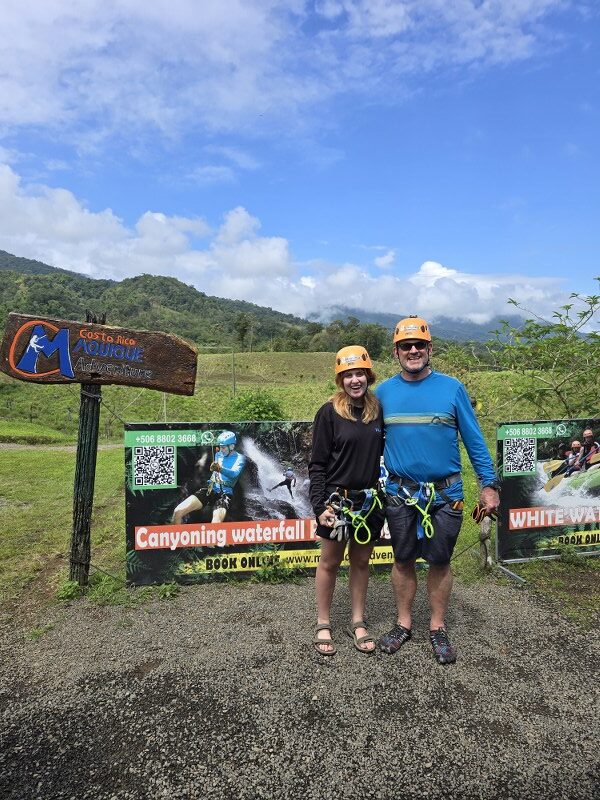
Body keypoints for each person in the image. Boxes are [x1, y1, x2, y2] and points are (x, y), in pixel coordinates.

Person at [375, 316, 499, 665]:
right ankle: (403, 623)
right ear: (396, 351)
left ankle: (437, 626)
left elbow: (474, 440)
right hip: (401, 493)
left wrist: (488, 486)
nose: (412, 351)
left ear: (430, 349)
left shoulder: (451, 388)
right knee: (401, 559)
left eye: (419, 345)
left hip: (446, 495)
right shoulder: (383, 393)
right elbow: (365, 442)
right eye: (405, 346)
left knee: (440, 560)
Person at [309, 346, 385, 656]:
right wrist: (319, 506)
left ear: (369, 375)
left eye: (360, 374)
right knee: (329, 561)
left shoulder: (378, 411)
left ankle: (357, 620)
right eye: (348, 375)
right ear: (340, 379)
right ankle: (323, 622)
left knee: (361, 561)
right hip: (337, 502)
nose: (355, 380)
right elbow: (317, 464)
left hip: (368, 500)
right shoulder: (329, 412)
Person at [172, 430, 246, 524]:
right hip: (210, 489)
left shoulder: (240, 458)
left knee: (216, 522)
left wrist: (220, 469)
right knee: (177, 512)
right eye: (220, 447)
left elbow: (234, 474)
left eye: (223, 447)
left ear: (231, 446)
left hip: (224, 494)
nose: (221, 450)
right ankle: (179, 537)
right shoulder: (218, 454)